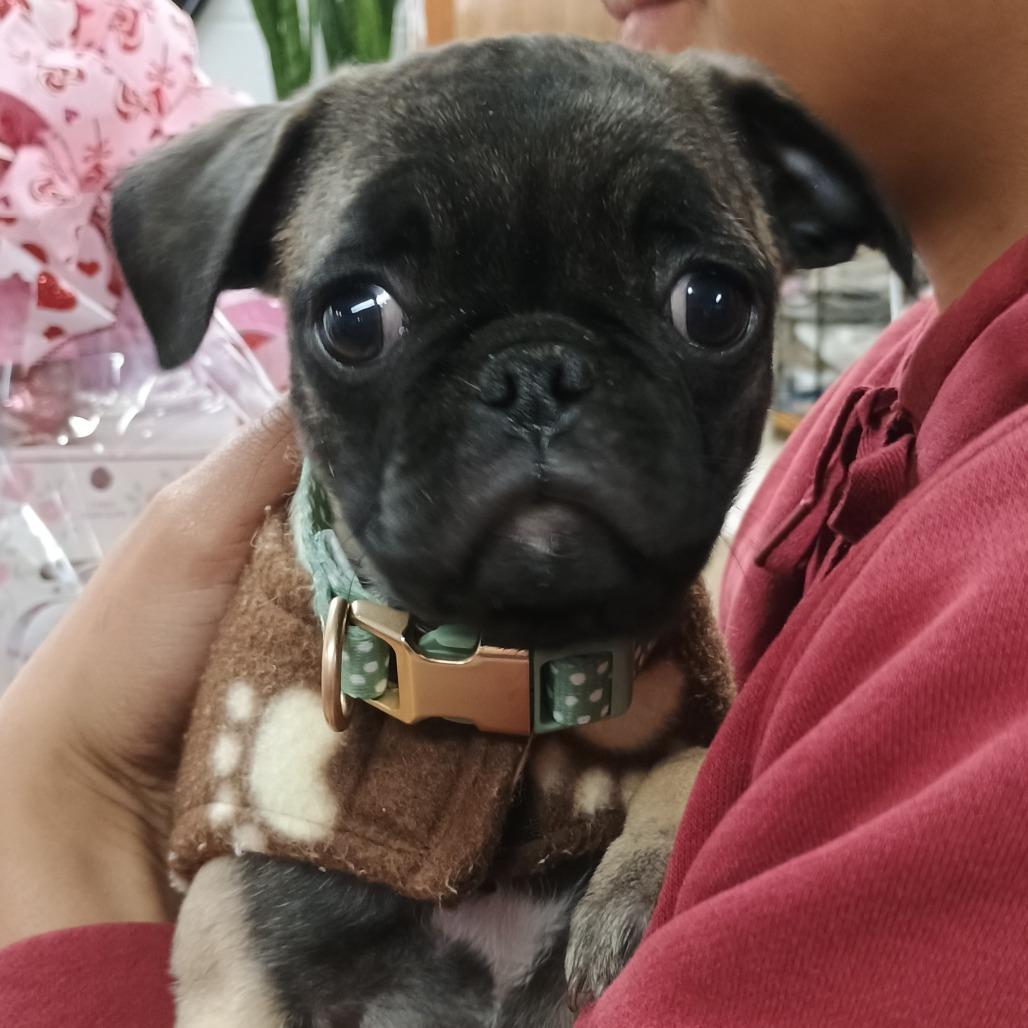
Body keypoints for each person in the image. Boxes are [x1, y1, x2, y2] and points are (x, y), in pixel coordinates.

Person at [2, 0, 1028, 1022]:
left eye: (700, 308)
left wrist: (64, 786)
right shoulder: (877, 411)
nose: (533, 395)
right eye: (361, 322)